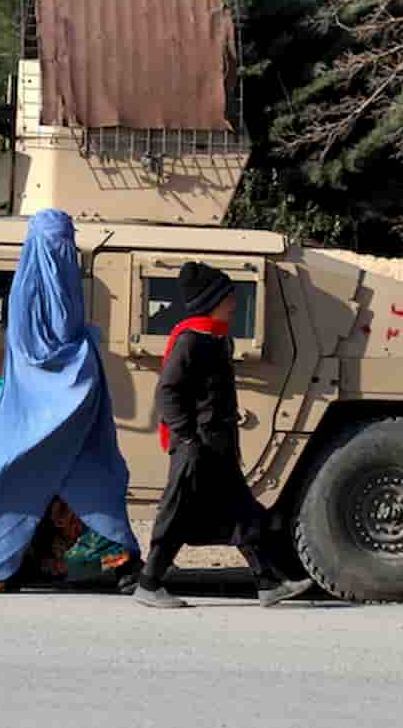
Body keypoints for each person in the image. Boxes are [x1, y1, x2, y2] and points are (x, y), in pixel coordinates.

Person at [0, 209, 142, 593]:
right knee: (22, 483)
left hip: (71, 414)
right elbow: (41, 354)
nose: (61, 254)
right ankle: (2, 567)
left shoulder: (47, 286)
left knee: (92, 485)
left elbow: (63, 339)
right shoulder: (29, 294)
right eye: (56, 245)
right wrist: (84, 359)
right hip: (39, 409)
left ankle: (124, 566)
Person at [135, 260, 315, 608]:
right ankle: (148, 583)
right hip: (196, 447)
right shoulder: (192, 340)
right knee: (178, 514)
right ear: (211, 301)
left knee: (242, 511)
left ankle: (267, 583)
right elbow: (168, 392)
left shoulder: (217, 338)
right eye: (228, 295)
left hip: (217, 445)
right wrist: (187, 437)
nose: (234, 302)